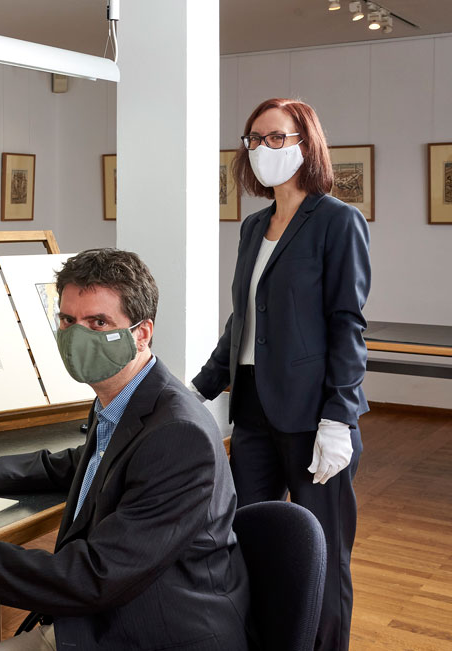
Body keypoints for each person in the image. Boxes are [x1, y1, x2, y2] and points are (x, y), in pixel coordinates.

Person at [0, 249, 250, 650]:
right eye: (68, 320)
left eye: (98, 322)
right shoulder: (128, 395)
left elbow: (95, 577)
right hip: (105, 617)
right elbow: (88, 464)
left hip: (155, 633)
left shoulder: (179, 435)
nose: (77, 335)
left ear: (142, 333)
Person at [191, 98, 370, 651]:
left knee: (326, 554)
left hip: (314, 419)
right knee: (247, 540)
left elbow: (348, 325)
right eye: (253, 139)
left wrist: (340, 416)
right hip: (251, 418)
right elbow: (241, 323)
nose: (263, 149)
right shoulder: (252, 228)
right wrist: (193, 390)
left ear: (304, 143)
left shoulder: (338, 221)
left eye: (275, 138)